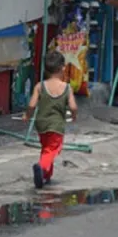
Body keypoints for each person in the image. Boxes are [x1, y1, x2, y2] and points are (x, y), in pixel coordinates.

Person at [26, 51, 77, 189]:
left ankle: (46, 175)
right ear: (63, 68)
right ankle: (41, 168)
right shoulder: (67, 88)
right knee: (53, 149)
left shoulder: (39, 86)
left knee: (46, 148)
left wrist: (27, 116)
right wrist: (74, 116)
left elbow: (31, 105)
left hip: (41, 124)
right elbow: (73, 106)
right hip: (56, 125)